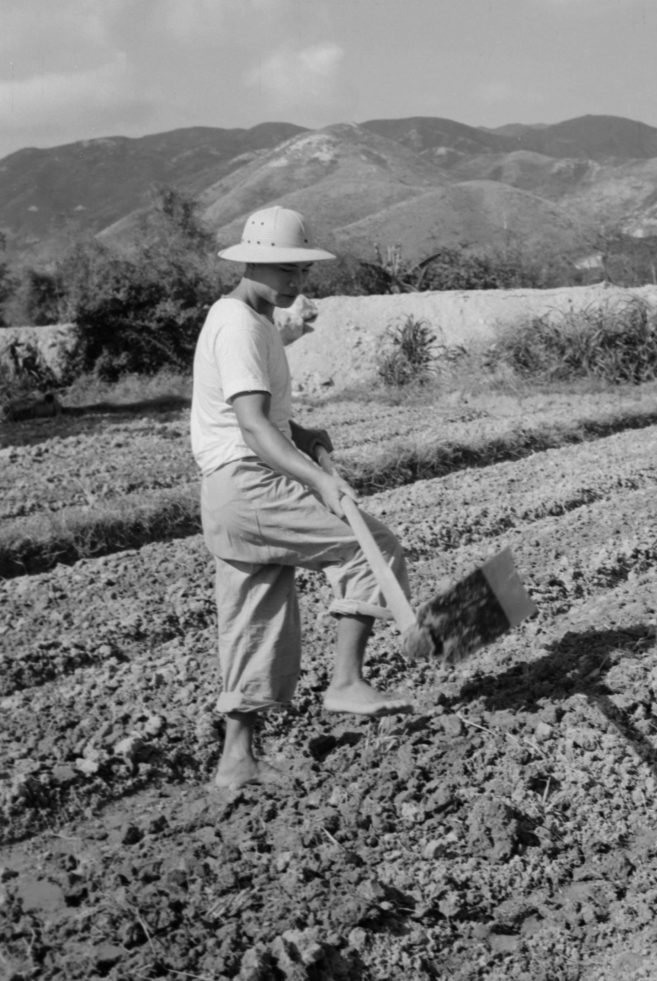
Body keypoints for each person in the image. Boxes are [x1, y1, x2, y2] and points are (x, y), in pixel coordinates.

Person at [190, 205, 412, 789]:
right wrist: (318, 480)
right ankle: (346, 683)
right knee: (373, 547)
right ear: (254, 263)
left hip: (227, 494)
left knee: (255, 618)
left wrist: (304, 435)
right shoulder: (240, 325)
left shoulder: (246, 317)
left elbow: (264, 418)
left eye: (303, 271)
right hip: (249, 482)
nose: (298, 282)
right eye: (288, 270)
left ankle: (236, 762)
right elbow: (253, 428)